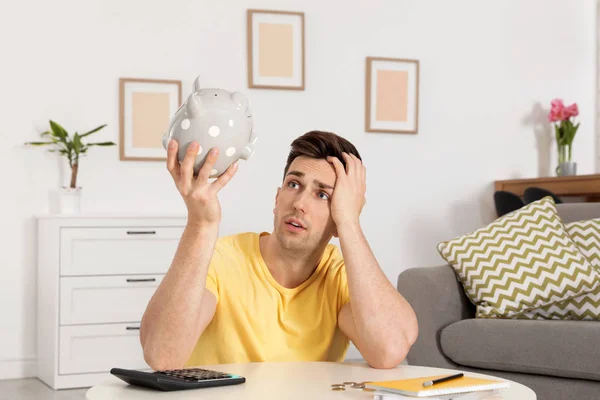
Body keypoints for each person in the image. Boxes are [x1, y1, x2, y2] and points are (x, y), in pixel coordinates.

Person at [139, 130, 418, 371]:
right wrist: (201, 225)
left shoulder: (340, 277)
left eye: (323, 195)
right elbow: (162, 357)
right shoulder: (221, 259)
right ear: (277, 197)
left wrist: (349, 223)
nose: (298, 203)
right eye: (294, 184)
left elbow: (389, 350)